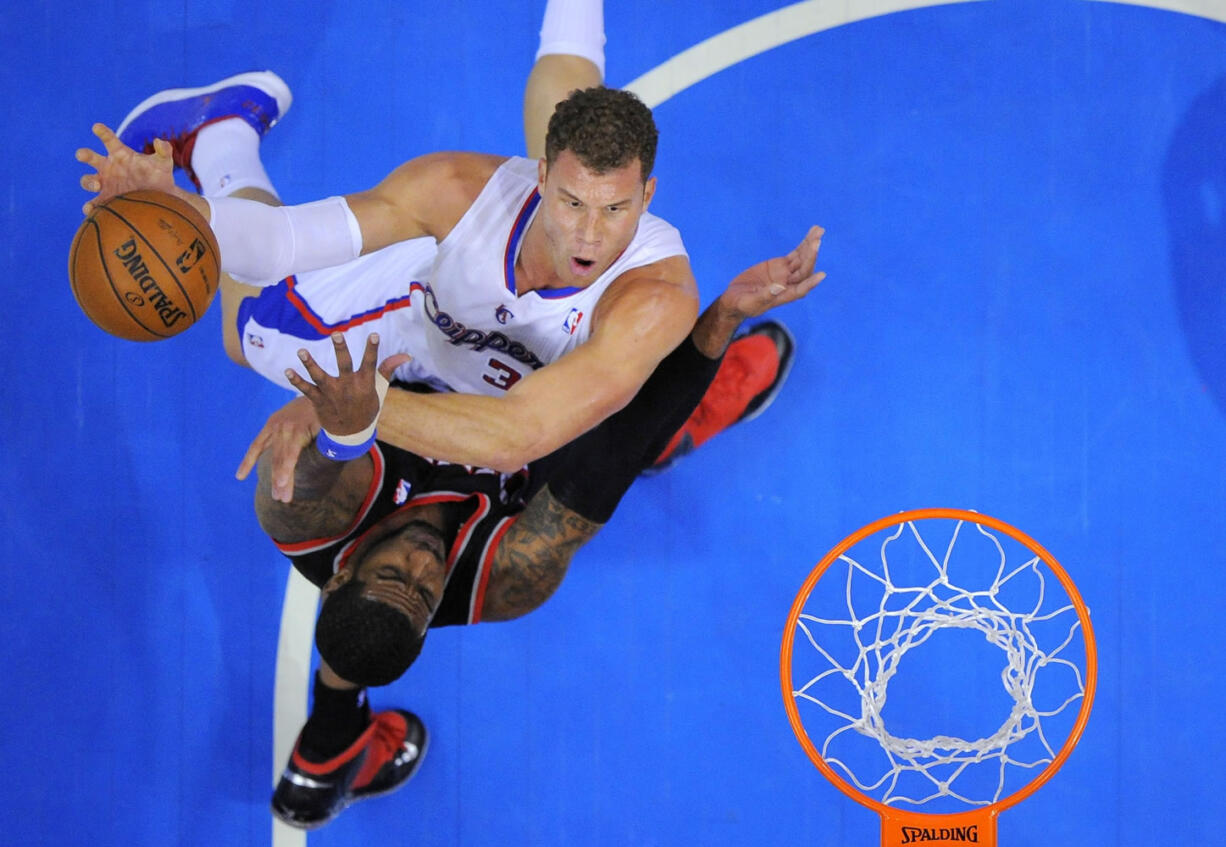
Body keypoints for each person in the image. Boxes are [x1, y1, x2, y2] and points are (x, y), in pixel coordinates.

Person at [75, 0, 813, 477]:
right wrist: (184, 216)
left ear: (647, 195)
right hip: (426, 316)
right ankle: (222, 140)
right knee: (248, 337)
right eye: (571, 202)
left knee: (621, 437)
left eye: (617, 210)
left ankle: (692, 404)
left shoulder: (653, 294)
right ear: (538, 176)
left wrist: (360, 411)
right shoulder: (455, 191)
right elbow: (276, 244)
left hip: (538, 398)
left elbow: (519, 433)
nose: (589, 234)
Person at [251, 230, 824, 828]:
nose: (424, 563)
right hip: (549, 418)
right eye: (425, 594)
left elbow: (307, 468)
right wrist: (722, 318)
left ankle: (328, 749)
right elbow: (614, 452)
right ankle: (688, 426)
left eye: (394, 571)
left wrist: (321, 415)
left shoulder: (311, 517)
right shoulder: (508, 579)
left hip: (428, 365)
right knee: (630, 415)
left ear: (343, 571)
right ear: (432, 620)